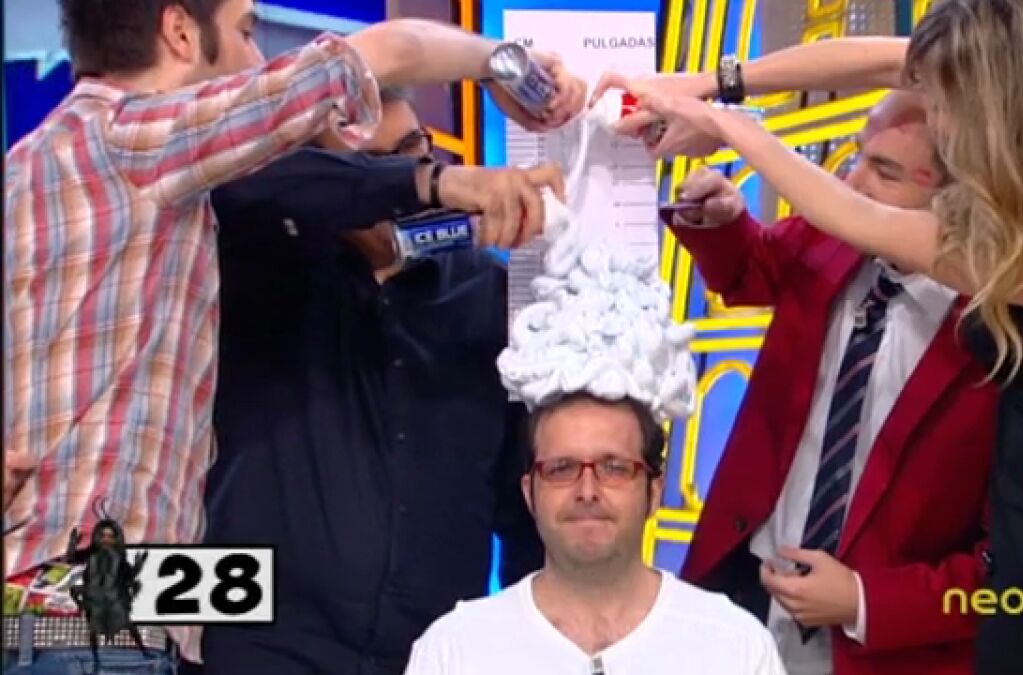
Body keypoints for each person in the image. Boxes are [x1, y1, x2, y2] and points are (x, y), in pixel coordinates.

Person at [599, 1, 1023, 673]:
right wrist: (713, 84)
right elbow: (883, 68)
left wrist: (725, 124)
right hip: (784, 589)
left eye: (945, 107)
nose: (938, 117)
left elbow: (859, 217)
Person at [3, 0, 585, 670]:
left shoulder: (30, 165)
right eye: (247, 32)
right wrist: (506, 70)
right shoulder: (149, 145)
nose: (256, 61)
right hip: (103, 622)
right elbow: (389, 50)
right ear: (181, 31)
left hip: (62, 604)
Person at [196, 88, 547, 673]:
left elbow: (523, 503)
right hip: (259, 648)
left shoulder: (491, 295)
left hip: (431, 653)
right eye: (374, 167)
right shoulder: (249, 273)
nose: (406, 184)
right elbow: (226, 181)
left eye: (415, 155)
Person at [666, 92, 996, 675]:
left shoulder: (1011, 338)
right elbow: (753, 269)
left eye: (885, 172)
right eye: (858, 155)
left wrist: (866, 602)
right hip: (746, 590)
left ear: (961, 197)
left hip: (886, 649)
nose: (852, 183)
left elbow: (1019, 580)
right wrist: (723, 221)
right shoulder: (833, 237)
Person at [404, 393, 787, 674]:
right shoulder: (455, 649)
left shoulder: (734, 645)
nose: (587, 491)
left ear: (654, 493)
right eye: (561, 469)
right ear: (529, 493)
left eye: (614, 468)